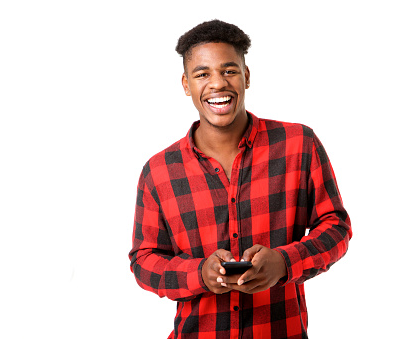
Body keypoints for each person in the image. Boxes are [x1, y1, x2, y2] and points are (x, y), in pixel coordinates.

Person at [129, 19, 352, 339]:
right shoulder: (159, 171)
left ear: (246, 76)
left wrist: (284, 264)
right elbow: (144, 260)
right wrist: (199, 275)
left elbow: (336, 226)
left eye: (229, 70)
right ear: (185, 84)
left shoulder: (298, 145)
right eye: (202, 73)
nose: (217, 83)